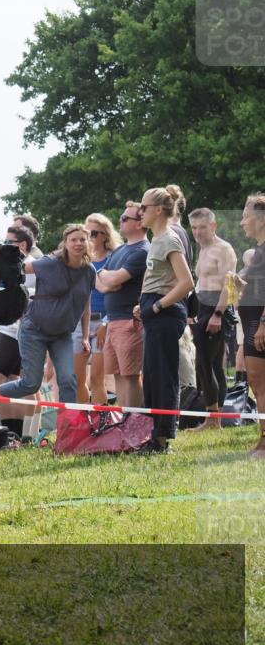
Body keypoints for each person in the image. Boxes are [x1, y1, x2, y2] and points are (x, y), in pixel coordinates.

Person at [0, 223, 95, 407]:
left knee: (69, 381)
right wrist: (11, 296)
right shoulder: (50, 263)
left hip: (62, 334)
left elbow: (86, 303)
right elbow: (19, 269)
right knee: (30, 384)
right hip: (34, 330)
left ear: (88, 242)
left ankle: (67, 432)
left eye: (82, 239)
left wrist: (85, 336)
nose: (78, 243)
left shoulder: (89, 270)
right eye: (73, 240)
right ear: (66, 243)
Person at [134, 186, 195, 453]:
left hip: (166, 315)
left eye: (143, 208)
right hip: (154, 312)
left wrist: (157, 306)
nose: (139, 213)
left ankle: (162, 438)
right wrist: (143, 305)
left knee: (163, 376)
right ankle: (154, 434)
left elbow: (186, 283)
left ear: (158, 210)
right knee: (152, 375)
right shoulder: (157, 239)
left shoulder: (169, 239)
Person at [95, 202, 150, 409]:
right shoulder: (120, 251)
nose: (121, 220)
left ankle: (135, 421)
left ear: (139, 223)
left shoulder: (143, 250)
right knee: (117, 374)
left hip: (130, 321)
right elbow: (99, 281)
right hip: (114, 321)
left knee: (131, 374)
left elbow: (108, 280)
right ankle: (125, 420)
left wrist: (108, 280)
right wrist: (108, 280)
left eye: (125, 218)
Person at [189, 207, 238, 429]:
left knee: (205, 364)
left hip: (217, 308)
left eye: (203, 227)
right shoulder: (203, 248)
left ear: (214, 226)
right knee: (210, 364)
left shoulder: (223, 249)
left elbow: (230, 285)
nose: (198, 232)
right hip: (203, 307)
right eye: (195, 228)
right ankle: (214, 417)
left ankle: (213, 418)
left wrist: (218, 313)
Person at [0, 226, 37, 435]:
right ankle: (16, 434)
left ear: (22, 244)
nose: (4, 246)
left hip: (17, 330)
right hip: (9, 328)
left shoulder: (32, 264)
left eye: (9, 242)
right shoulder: (11, 262)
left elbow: (35, 293)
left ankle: (24, 434)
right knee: (13, 382)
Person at [231, 193, 265, 458]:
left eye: (246, 215)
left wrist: (263, 322)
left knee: (260, 384)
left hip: (260, 324)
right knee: (257, 383)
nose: (242, 222)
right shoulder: (258, 252)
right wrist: (238, 285)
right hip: (252, 321)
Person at [75, 213, 120, 404]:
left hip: (103, 320)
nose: (89, 237)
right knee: (77, 378)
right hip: (80, 322)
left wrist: (107, 322)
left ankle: (101, 424)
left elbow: (119, 294)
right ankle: (84, 422)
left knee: (96, 379)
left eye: (93, 233)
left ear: (105, 235)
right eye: (86, 232)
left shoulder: (114, 259)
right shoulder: (80, 259)